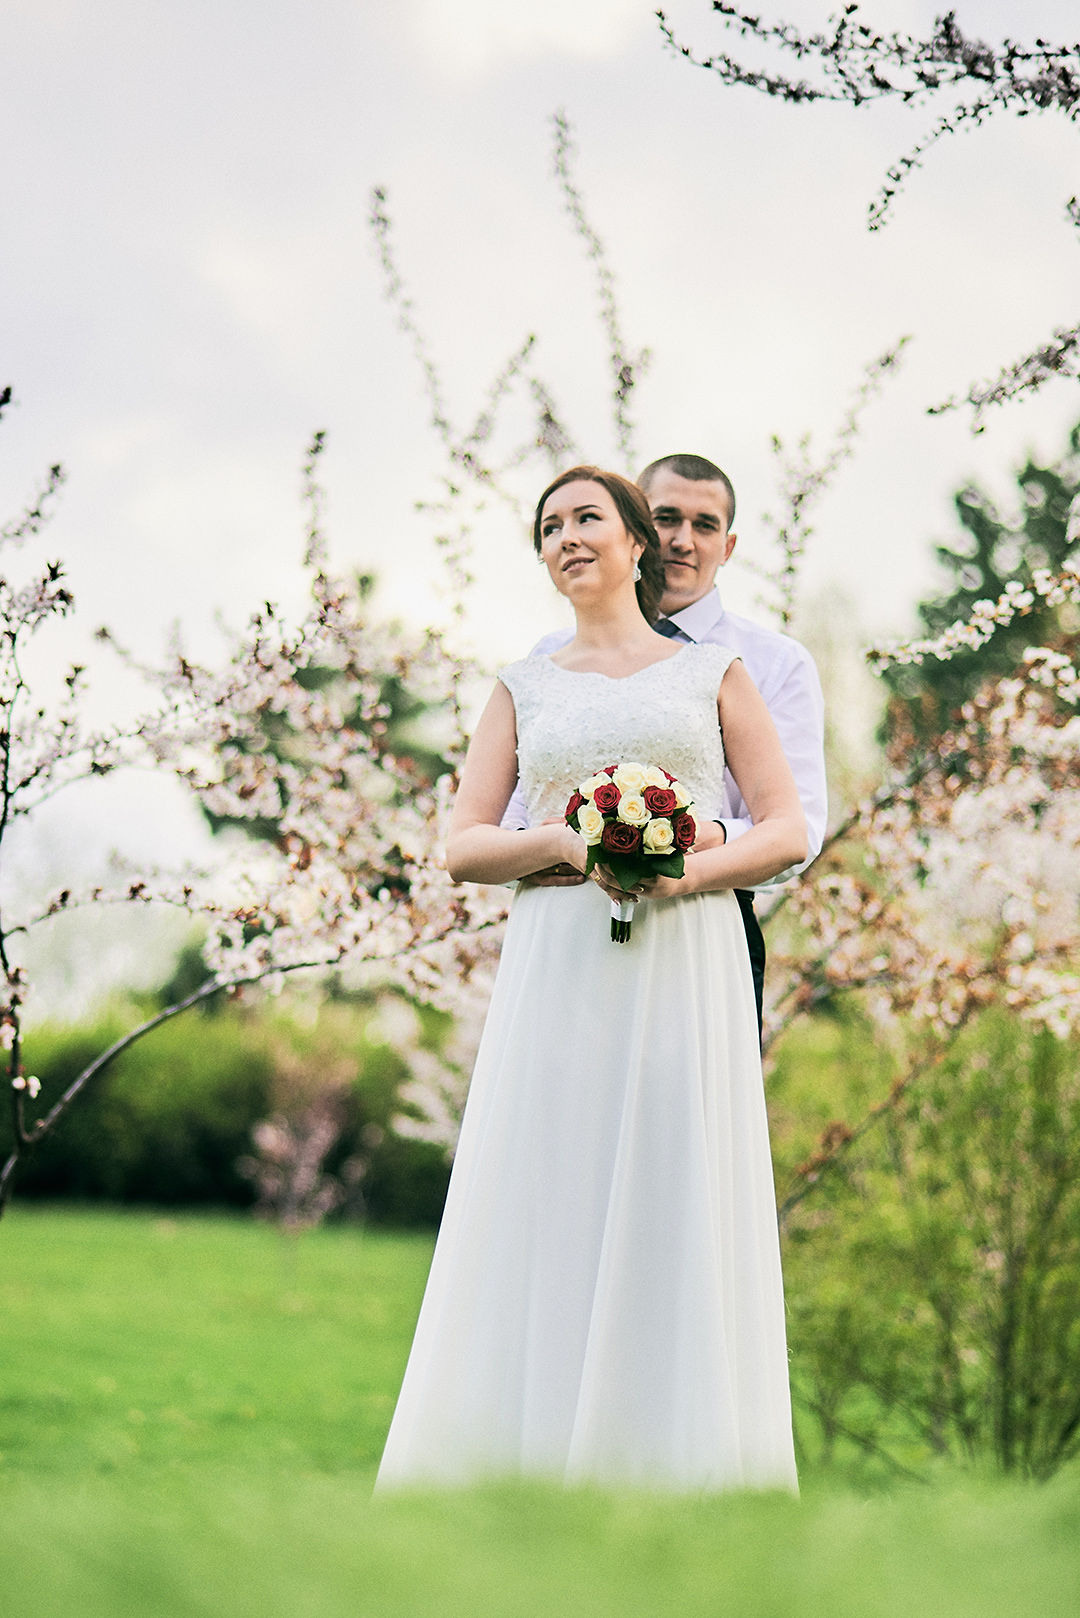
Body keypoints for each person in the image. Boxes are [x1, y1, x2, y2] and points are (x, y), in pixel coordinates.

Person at [376, 466, 806, 1493]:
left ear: (634, 545)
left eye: (587, 518)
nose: (566, 536)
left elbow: (786, 825)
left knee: (670, 1172)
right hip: (559, 958)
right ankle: (528, 1453)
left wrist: (680, 871)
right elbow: (463, 843)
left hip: (685, 952)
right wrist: (573, 846)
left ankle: (678, 1463)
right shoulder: (524, 684)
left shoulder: (713, 673)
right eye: (549, 526)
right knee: (553, 1175)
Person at [508, 452, 827, 1033]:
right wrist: (565, 846)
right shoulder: (546, 661)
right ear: (636, 531)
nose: (682, 540)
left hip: (703, 925)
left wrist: (688, 840)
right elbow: (514, 821)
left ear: (727, 547)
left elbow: (797, 828)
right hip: (566, 933)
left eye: (704, 525)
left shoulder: (773, 664)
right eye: (665, 519)